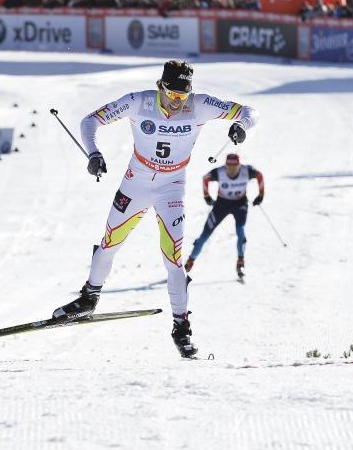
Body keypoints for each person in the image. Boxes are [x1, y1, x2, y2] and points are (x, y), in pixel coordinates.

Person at [52, 60, 259, 358]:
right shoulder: (138, 102)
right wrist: (94, 154)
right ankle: (88, 298)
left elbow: (251, 112)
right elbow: (90, 121)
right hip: (135, 182)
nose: (177, 102)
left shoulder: (200, 105)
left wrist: (241, 126)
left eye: (183, 96)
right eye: (172, 94)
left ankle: (181, 326)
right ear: (160, 86)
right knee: (110, 243)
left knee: (174, 258)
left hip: (171, 187)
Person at [184, 154, 265, 280]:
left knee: (240, 231)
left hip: (239, 203)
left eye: (235, 167)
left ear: (239, 165)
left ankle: (240, 261)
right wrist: (207, 196)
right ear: (225, 165)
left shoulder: (246, 171)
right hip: (221, 204)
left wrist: (261, 195)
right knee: (205, 234)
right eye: (229, 167)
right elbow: (205, 178)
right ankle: (190, 261)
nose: (232, 170)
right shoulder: (219, 172)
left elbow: (259, 176)